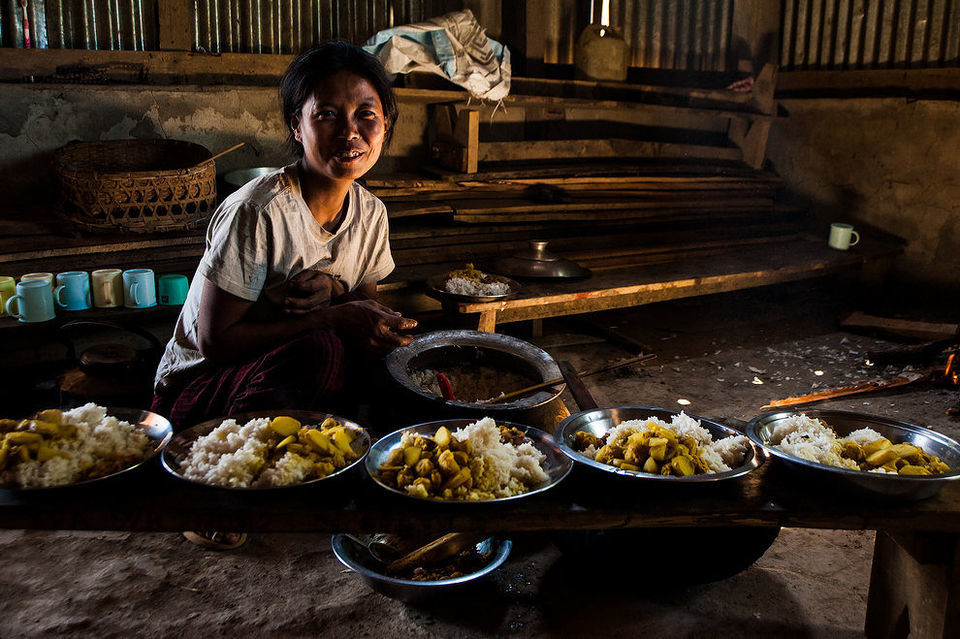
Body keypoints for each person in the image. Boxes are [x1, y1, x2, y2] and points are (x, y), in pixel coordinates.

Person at [151, 42, 416, 548]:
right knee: (321, 350)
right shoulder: (259, 210)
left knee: (395, 363)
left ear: (385, 125)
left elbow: (362, 308)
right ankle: (217, 485)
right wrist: (329, 320)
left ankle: (381, 485)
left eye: (367, 115)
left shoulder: (371, 214)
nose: (350, 133)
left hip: (290, 372)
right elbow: (214, 342)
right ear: (298, 125)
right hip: (200, 392)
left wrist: (349, 302)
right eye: (328, 116)